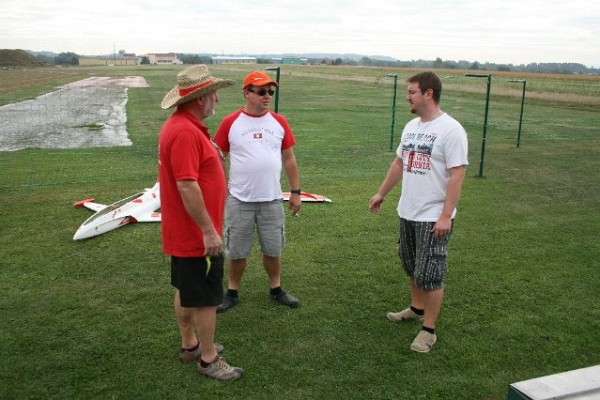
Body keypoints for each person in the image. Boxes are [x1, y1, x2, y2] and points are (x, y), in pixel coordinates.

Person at [368, 71, 468, 353]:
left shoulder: (451, 130)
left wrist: (446, 215)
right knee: (411, 265)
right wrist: (381, 193)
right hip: (408, 211)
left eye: (412, 91)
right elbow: (400, 163)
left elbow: (457, 174)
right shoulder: (412, 126)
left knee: (431, 272)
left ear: (428, 93)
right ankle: (416, 308)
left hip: (433, 216)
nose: (407, 96)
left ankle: (429, 330)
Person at [158, 65, 243, 380]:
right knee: (207, 297)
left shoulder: (182, 126)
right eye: (214, 94)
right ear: (201, 98)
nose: (217, 100)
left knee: (186, 287)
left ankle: (190, 344)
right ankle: (208, 359)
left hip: (185, 232)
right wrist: (209, 231)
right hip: (195, 235)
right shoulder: (184, 131)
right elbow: (186, 185)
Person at [213, 71, 302, 312]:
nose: (267, 96)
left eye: (270, 92)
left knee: (272, 249)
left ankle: (276, 289)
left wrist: (295, 191)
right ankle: (231, 292)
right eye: (262, 91)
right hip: (239, 199)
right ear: (247, 93)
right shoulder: (230, 122)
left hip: (272, 199)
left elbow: (289, 159)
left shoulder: (279, 122)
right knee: (237, 251)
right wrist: (222, 189)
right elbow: (218, 157)